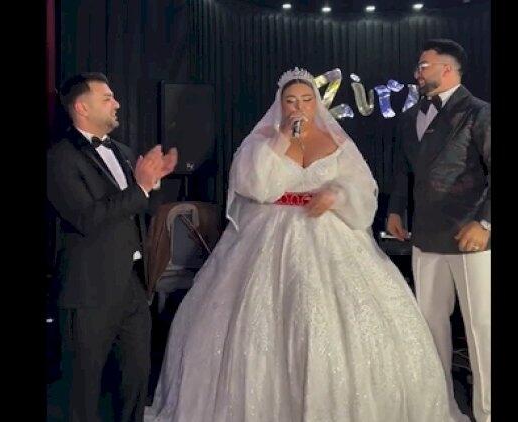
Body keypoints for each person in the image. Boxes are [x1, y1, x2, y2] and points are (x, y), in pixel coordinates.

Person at [145, 68, 449, 421]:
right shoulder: (262, 139)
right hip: (268, 232)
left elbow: (364, 191)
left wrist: (337, 194)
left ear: (316, 103)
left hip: (329, 232)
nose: (298, 106)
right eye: (290, 101)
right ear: (281, 104)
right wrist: (281, 141)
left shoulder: (337, 141)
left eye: (306, 99)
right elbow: (253, 186)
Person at [47, 72, 177, 422]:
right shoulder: (59, 158)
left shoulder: (123, 152)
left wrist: (153, 183)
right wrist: (141, 187)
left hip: (131, 287)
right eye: (107, 98)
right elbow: (87, 218)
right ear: (82, 107)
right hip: (87, 292)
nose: (117, 104)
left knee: (134, 384)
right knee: (83, 393)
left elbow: (136, 210)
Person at [386, 39, 491, 422]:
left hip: (471, 237)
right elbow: (404, 171)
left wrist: (485, 223)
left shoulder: (479, 112)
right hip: (426, 237)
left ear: (447, 69)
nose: (417, 72)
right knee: (430, 328)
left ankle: (487, 413)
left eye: (424, 65)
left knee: (481, 328)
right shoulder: (410, 117)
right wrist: (395, 210)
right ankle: (441, 409)